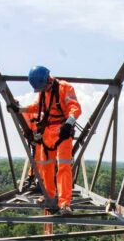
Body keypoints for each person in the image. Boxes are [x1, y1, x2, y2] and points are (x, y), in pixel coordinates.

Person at [15, 65, 82, 216]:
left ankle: (64, 204)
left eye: (44, 86)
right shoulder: (44, 92)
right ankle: (49, 196)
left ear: (48, 79)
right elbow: (37, 107)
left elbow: (75, 108)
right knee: (46, 166)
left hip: (62, 131)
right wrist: (19, 109)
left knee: (64, 166)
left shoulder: (65, 88)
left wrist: (69, 123)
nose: (44, 89)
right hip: (48, 132)